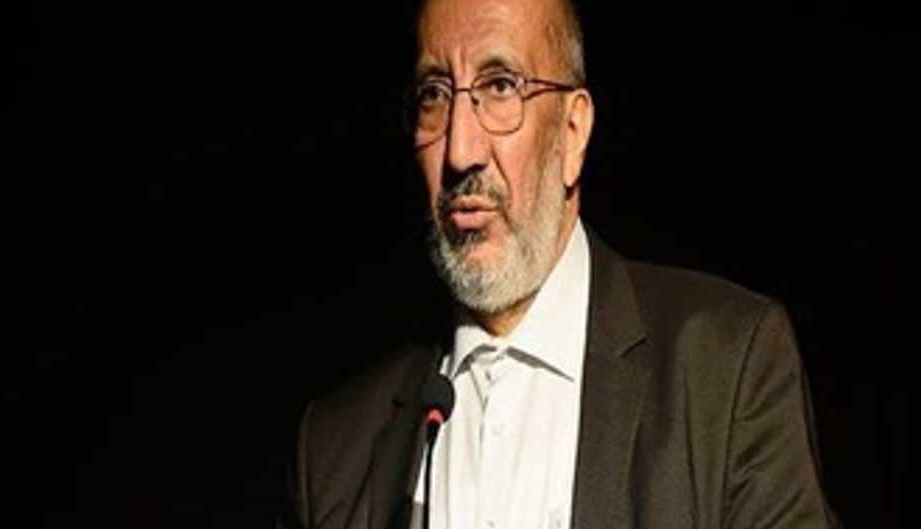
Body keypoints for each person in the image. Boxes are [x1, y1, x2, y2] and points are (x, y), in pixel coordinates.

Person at [277, 0, 841, 527]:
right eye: (434, 95)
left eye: (501, 87)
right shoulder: (332, 451)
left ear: (572, 133)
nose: (460, 151)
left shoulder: (727, 366)